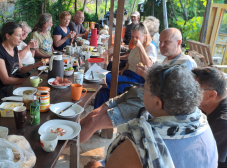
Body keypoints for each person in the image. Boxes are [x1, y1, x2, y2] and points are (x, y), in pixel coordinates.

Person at [85, 64, 218, 168]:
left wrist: (94, 166)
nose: (141, 92)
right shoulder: (202, 122)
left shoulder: (140, 144)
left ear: (157, 102)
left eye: (144, 89)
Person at [80, 28, 196, 144]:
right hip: (137, 92)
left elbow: (174, 98)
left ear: (179, 42)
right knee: (93, 113)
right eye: (160, 41)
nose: (161, 45)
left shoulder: (185, 63)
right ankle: (66, 133)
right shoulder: (168, 59)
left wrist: (148, 76)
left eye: (166, 42)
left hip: (143, 102)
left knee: (94, 121)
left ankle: (64, 143)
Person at [94, 22, 157, 109]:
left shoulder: (150, 47)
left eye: (137, 37)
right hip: (126, 74)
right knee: (103, 90)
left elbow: (149, 65)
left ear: (145, 36)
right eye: (132, 37)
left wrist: (141, 47)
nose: (134, 39)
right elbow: (131, 60)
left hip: (136, 81)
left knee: (102, 77)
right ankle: (97, 114)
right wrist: (124, 68)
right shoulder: (134, 46)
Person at [0, 22, 44, 96]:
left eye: (21, 35)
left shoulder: (14, 48)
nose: (21, 38)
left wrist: (35, 65)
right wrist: (28, 80)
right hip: (2, 87)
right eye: (18, 35)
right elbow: (5, 80)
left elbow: (21, 69)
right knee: (34, 92)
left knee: (40, 86)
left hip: (14, 81)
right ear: (8, 36)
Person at [192, 67, 227, 167]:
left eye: (192, 90)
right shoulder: (206, 104)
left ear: (211, 95)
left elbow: (206, 160)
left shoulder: (222, 122)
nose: (186, 93)